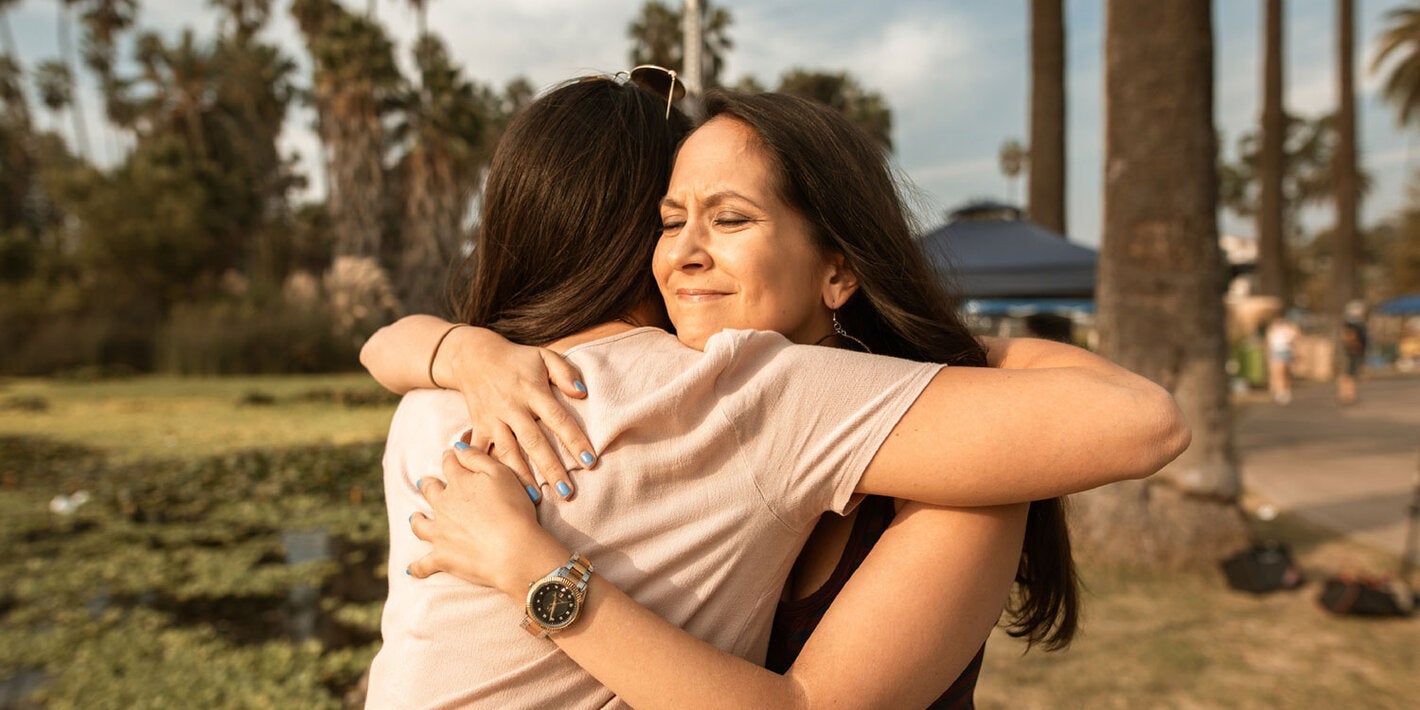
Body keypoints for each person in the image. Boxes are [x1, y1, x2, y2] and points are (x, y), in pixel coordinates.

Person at [361, 83, 1189, 708]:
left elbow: (1145, 422)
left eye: (729, 220)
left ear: (838, 270)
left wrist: (535, 570)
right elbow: (386, 348)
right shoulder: (695, 407)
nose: (681, 252)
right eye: (668, 218)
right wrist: (460, 349)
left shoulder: (809, 416)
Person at [1338, 300, 1368, 405]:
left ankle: (1349, 395)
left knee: (1351, 373)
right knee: (1350, 374)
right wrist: (1355, 348)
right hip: (1353, 350)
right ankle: (1348, 395)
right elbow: (1350, 336)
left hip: (1353, 350)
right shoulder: (1352, 324)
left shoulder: (1355, 322)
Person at [1265, 315, 1299, 405]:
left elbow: (1296, 337)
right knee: (1276, 372)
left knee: (1283, 372)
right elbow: (1269, 342)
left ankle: (1284, 391)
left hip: (1285, 351)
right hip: (1275, 351)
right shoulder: (1272, 330)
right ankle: (1279, 391)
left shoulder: (1288, 329)